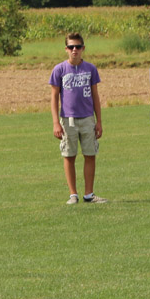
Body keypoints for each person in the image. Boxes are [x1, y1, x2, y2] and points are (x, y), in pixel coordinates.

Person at [49, 33, 106, 204]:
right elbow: (54, 97)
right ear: (66, 49)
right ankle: (73, 194)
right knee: (69, 156)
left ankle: (89, 194)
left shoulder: (90, 69)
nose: (75, 50)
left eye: (78, 47)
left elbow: (95, 96)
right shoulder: (59, 70)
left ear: (83, 48)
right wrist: (56, 122)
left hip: (88, 118)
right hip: (68, 120)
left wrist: (99, 121)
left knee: (90, 154)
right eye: (71, 47)